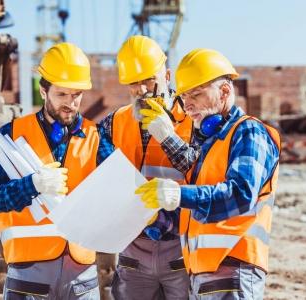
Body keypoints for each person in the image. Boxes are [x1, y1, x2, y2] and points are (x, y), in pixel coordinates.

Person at [136, 48, 281, 299]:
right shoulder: (210, 145)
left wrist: (178, 194)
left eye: (196, 94)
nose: (187, 104)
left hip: (233, 272)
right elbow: (198, 212)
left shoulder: (248, 132)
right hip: (204, 277)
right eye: (183, 97)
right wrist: (155, 221)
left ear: (224, 92)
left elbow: (241, 194)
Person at [0, 42, 104, 299]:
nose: (70, 103)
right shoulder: (11, 137)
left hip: (81, 275)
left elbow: (116, 190)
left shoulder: (97, 137)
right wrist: (32, 185)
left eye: (76, 95)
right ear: (43, 90)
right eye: (62, 95)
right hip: (29, 274)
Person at [97, 35, 196, 299]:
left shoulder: (193, 119)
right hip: (133, 249)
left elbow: (203, 173)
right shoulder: (113, 123)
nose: (141, 90)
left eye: (149, 80)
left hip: (180, 246)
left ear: (167, 75)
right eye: (133, 83)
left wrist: (168, 136)